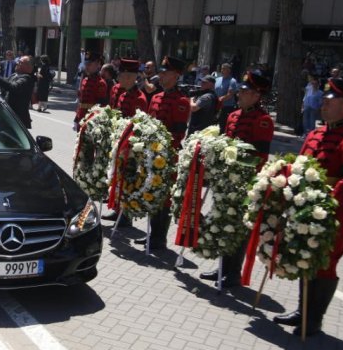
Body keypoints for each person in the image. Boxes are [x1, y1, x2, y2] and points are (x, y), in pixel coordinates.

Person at [274, 78, 343, 336]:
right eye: (324, 102)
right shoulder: (316, 134)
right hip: (304, 208)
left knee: (325, 262)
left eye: (329, 103)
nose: (323, 106)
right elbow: (299, 168)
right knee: (305, 256)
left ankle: (314, 319)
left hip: (332, 213)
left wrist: (323, 204)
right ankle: (301, 311)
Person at [199, 71, 273, 287]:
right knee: (224, 222)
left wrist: (240, 173)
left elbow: (260, 156)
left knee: (238, 227)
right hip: (225, 180)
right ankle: (223, 267)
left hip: (245, 182)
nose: (240, 94)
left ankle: (233, 274)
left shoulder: (263, 121)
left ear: (257, 96)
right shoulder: (232, 115)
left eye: (245, 91)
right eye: (241, 90)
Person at [135, 56, 191, 251]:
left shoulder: (182, 101)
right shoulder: (157, 97)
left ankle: (160, 238)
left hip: (168, 156)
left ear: (176, 76)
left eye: (166, 73)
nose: (162, 75)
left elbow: (178, 132)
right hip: (152, 154)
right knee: (152, 192)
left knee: (164, 197)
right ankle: (152, 233)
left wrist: (161, 147)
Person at [102, 58, 147, 225]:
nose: (121, 79)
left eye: (125, 76)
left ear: (132, 77)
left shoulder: (139, 98)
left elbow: (138, 125)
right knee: (118, 177)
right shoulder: (124, 93)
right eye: (121, 75)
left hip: (130, 145)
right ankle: (117, 209)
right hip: (119, 141)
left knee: (128, 178)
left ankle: (125, 215)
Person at [0, 56, 36, 129]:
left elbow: (13, 87)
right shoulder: (14, 75)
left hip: (16, 119)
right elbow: (4, 85)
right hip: (7, 115)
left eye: (20, 62)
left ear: (28, 67)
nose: (17, 63)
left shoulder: (27, 79)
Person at [73, 52, 106, 130]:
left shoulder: (101, 83)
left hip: (92, 120)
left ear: (98, 64)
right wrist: (77, 117)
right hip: (81, 118)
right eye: (86, 64)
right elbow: (81, 101)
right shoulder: (85, 80)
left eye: (90, 64)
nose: (87, 66)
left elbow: (101, 106)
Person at [214, 63, 238, 132]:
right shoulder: (217, 79)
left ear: (229, 70)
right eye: (221, 68)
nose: (222, 70)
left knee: (223, 126)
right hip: (216, 106)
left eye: (224, 69)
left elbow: (230, 94)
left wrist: (220, 100)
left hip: (226, 107)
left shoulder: (232, 81)